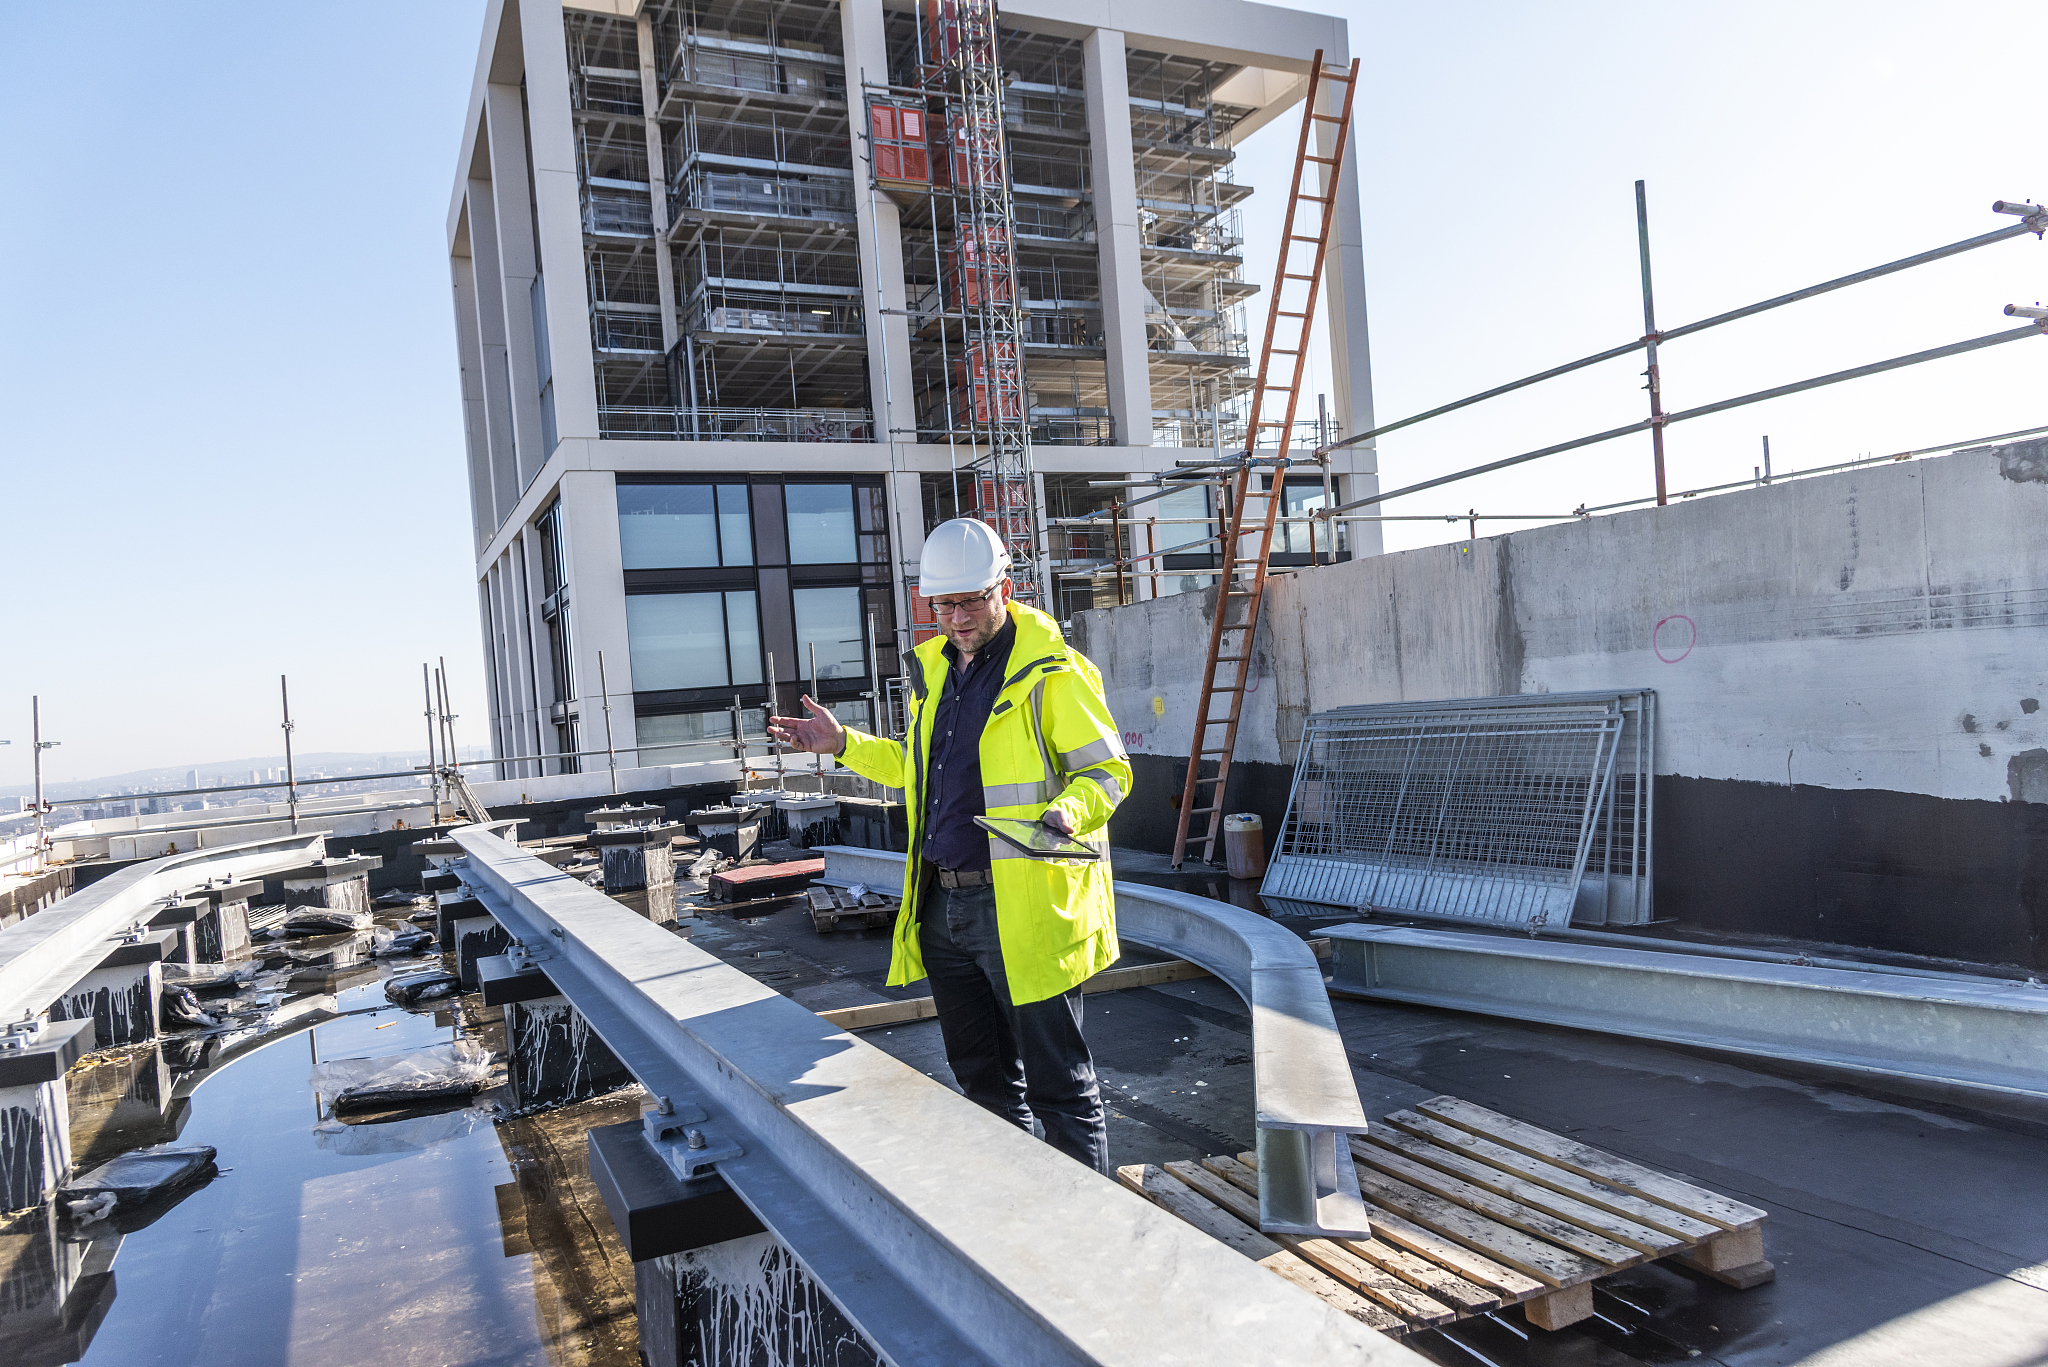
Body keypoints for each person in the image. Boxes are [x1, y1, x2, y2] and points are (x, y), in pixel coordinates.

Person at [768, 518, 1130, 1173]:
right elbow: (918, 764)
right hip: (944, 906)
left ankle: (1089, 1243)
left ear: (1005, 588)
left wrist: (1070, 810)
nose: (957, 618)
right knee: (984, 1086)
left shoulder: (1055, 671)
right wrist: (843, 743)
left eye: (971, 601)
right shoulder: (935, 673)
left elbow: (1108, 771)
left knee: (1061, 1089)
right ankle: (1025, 1214)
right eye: (943, 605)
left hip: (1026, 903)